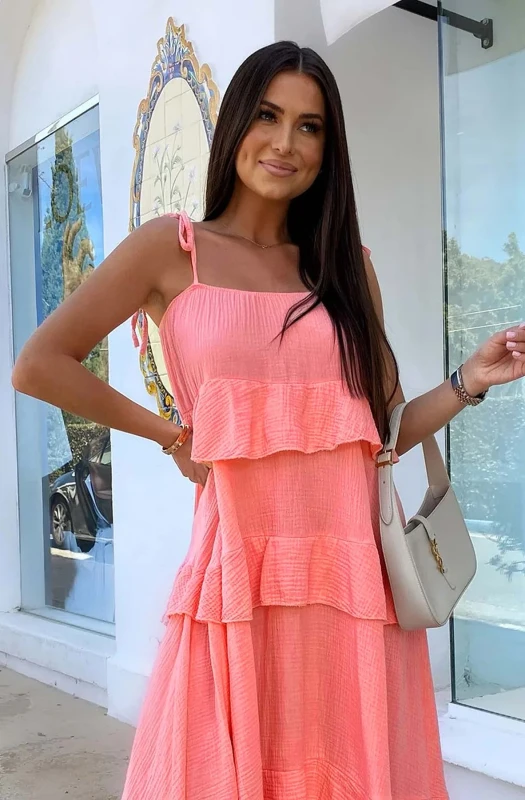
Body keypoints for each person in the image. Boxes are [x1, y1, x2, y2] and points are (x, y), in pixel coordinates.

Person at [12, 41, 525, 800]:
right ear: (235, 126)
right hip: (238, 571)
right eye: (267, 116)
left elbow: (381, 435)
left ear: (327, 147)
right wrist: (171, 435)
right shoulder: (172, 249)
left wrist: (468, 381)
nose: (286, 143)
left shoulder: (345, 267)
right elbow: (39, 363)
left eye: (309, 127)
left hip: (352, 580)